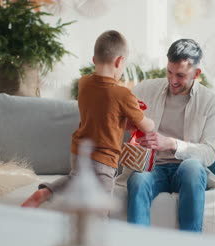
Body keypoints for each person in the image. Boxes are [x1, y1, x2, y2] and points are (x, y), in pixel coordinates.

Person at [22, 30, 155, 207]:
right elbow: (146, 126)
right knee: (99, 208)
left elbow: (102, 117)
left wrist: (121, 121)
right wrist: (146, 119)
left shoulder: (84, 83)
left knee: (76, 179)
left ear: (94, 60)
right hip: (104, 160)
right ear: (119, 61)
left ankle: (46, 191)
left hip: (78, 152)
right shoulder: (123, 94)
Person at [123, 39, 215, 232]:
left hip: (185, 170)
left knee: (193, 167)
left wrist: (170, 143)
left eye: (181, 75)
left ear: (197, 73)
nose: (173, 80)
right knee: (138, 179)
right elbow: (119, 111)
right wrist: (126, 124)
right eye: (169, 72)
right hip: (152, 167)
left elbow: (210, 153)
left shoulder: (210, 102)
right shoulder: (145, 89)